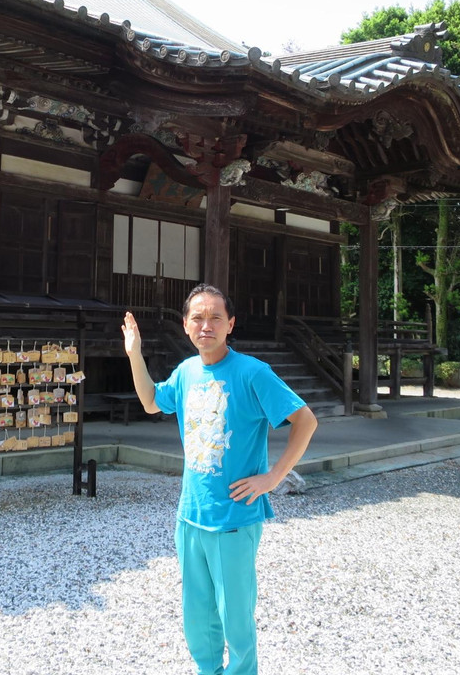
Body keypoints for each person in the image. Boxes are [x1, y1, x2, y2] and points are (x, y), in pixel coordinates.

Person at [122, 284, 318, 675]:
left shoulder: (252, 373)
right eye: (197, 317)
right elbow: (149, 401)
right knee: (197, 613)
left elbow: (305, 420)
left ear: (230, 324)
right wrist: (134, 354)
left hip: (235, 517)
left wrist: (273, 477)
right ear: (185, 325)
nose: (205, 325)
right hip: (190, 514)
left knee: (235, 615)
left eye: (215, 318)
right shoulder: (186, 372)